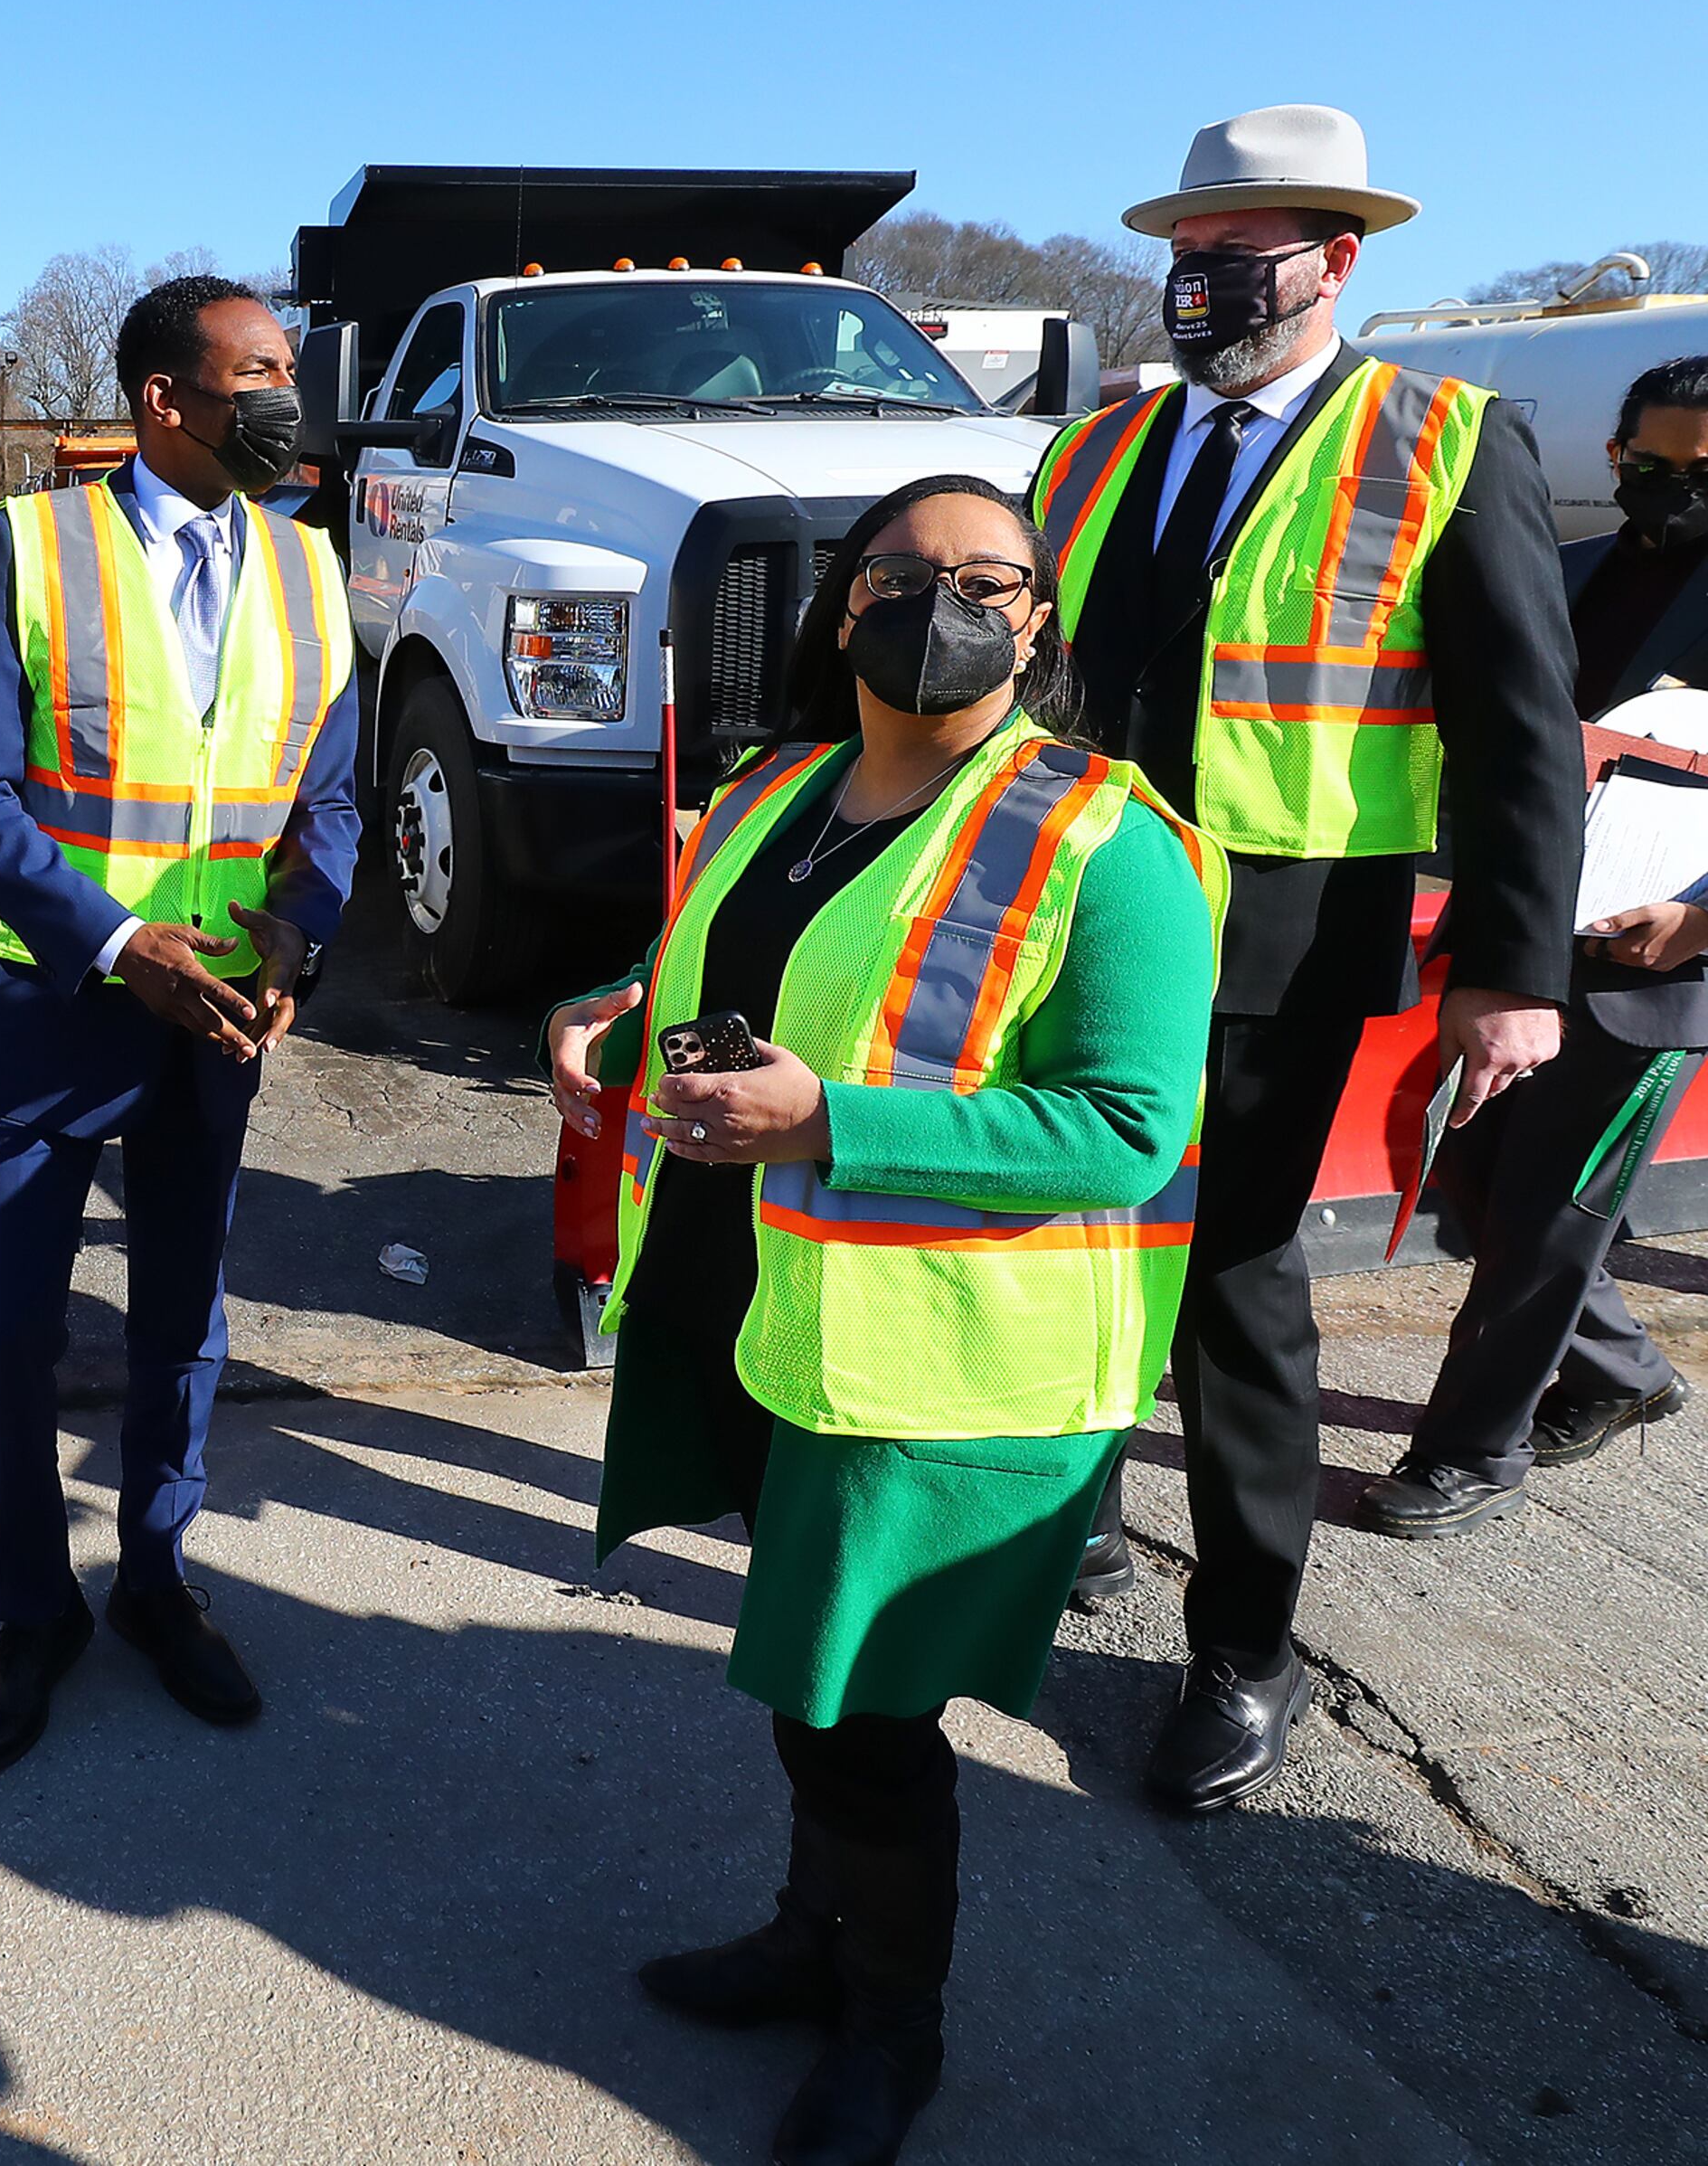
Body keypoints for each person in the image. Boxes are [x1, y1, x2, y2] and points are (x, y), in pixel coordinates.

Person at [543, 475, 1223, 2166]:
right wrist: (623, 1016)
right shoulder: (782, 785)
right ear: (840, 603)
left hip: (932, 1353)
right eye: (902, 572)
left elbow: (1130, 1130)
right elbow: (741, 971)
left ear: (1039, 622)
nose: (943, 602)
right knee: (809, 1687)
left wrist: (827, 1121)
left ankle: (888, 2034)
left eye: (988, 577)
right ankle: (806, 1937)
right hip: (763, 1298)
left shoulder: (1107, 841)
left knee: (866, 1718)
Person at [1033, 105, 1583, 1811]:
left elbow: (1521, 735)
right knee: (1060, 1228)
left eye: (1233, 252)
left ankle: (1246, 1649)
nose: (1196, 281)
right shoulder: (1101, 450)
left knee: (1235, 1281)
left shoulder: (1443, 441)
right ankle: (1073, 1529)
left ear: (1337, 259)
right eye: (1183, 252)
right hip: (1077, 915)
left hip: (1284, 935)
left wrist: (1514, 970)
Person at [0, 275, 358, 1774]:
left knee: (182, 1322)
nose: (285, 399)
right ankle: (34, 1611)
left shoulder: (311, 572)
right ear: (165, 400)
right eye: (258, 374)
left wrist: (304, 927)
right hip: (51, 1008)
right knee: (12, 1335)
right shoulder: (28, 549)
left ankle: (160, 1580)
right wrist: (117, 942)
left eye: (289, 370)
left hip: (218, 1022)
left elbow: (331, 801)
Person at [1358, 357, 1708, 1533]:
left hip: (1653, 964)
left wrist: (1701, 920)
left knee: (1550, 1214)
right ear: (1613, 459)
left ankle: (1473, 1449)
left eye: (1702, 473)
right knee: (1467, 1180)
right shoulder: (1558, 570)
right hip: (1520, 934)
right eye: (1652, 466)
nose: (1673, 489)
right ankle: (1622, 1368)